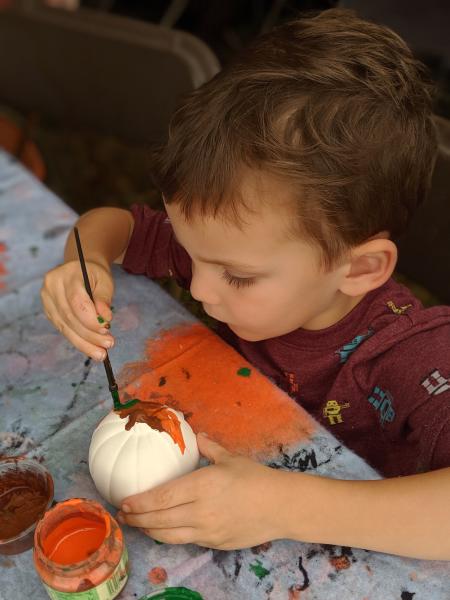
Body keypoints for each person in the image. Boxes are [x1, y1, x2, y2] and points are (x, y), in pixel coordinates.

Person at [41, 9, 450, 560]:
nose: (201, 288)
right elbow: (115, 225)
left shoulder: (411, 355)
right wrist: (86, 264)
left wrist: (285, 507)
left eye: (236, 276)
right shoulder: (230, 246)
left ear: (357, 269)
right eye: (190, 253)